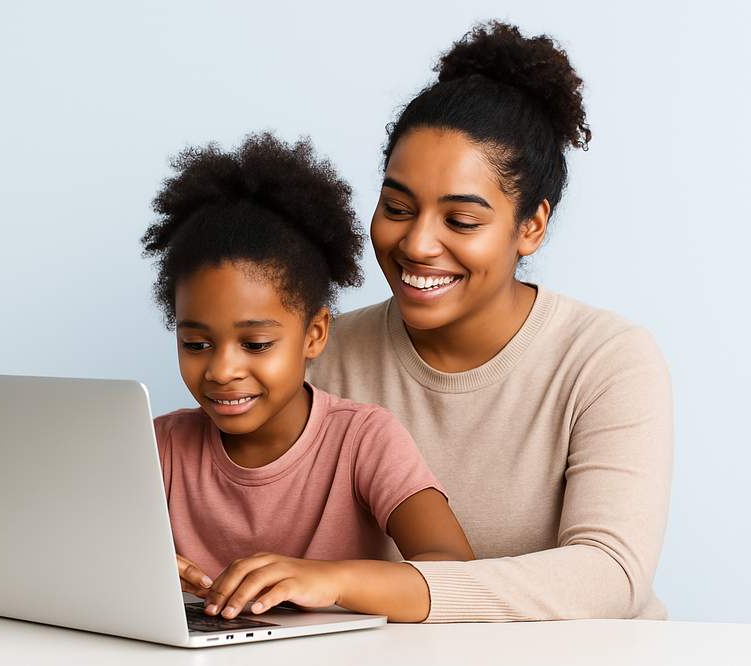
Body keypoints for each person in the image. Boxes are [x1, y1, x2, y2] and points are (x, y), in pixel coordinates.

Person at [307, 21, 674, 622]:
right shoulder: (322, 355)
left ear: (530, 226)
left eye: (461, 221)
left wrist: (368, 585)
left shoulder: (607, 360)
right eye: (397, 207)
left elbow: (611, 573)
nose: (417, 243)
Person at [140, 132, 474, 623]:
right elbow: (73, 557)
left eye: (255, 345)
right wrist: (138, 573)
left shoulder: (363, 439)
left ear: (315, 334)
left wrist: (329, 578)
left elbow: (456, 571)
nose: (222, 370)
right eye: (196, 344)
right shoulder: (160, 447)